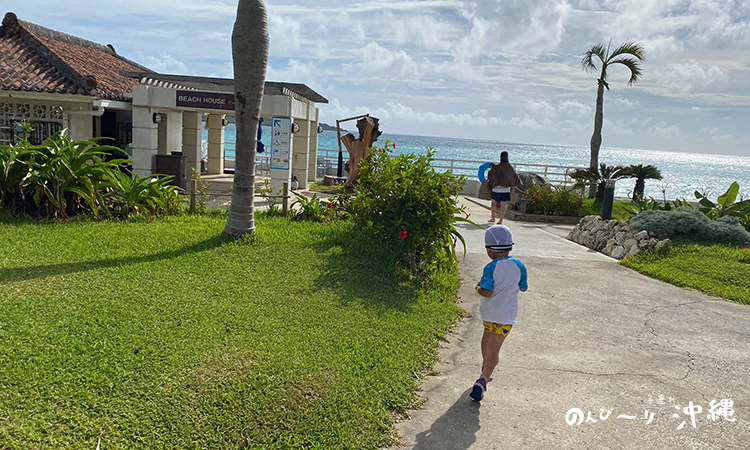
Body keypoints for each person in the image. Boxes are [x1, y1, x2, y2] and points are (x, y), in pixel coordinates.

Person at [471, 225, 528, 402]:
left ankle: (484, 368)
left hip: (489, 315)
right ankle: (484, 378)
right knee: (495, 347)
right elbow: (523, 287)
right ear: (510, 247)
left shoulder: (490, 268)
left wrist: (478, 290)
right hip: (506, 317)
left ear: (489, 250)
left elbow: (487, 292)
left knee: (486, 340)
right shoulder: (519, 266)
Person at [487, 151, 522, 224]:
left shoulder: (497, 167)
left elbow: (490, 174)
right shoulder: (509, 167)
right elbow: (514, 176)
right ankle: (501, 220)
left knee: (493, 203)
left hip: (496, 189)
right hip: (506, 189)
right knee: (504, 205)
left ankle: (493, 218)